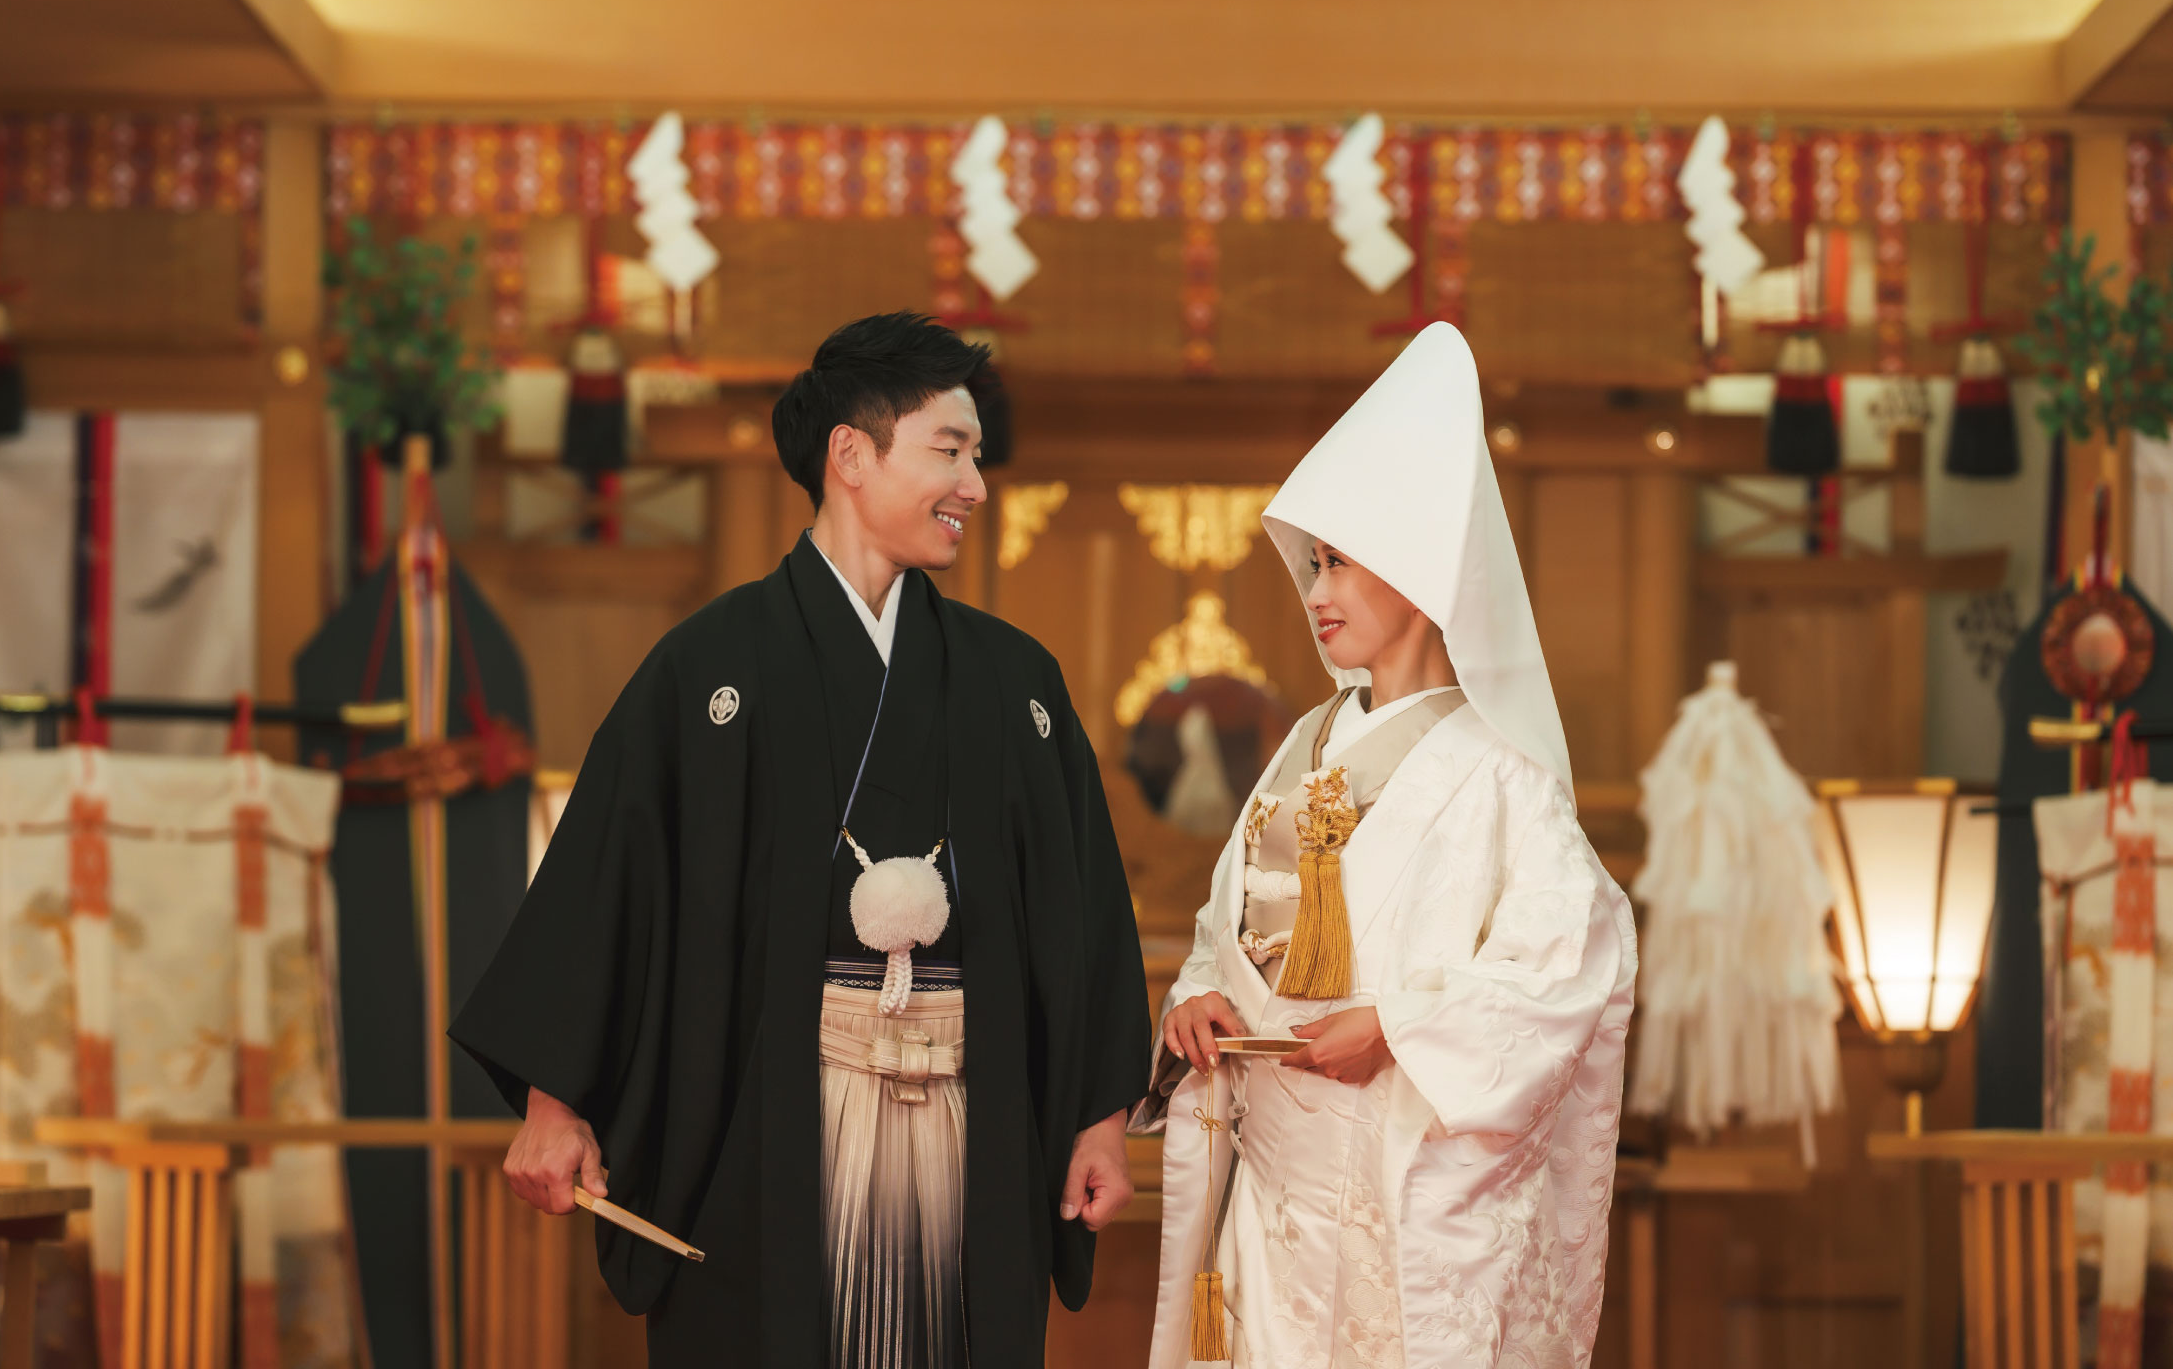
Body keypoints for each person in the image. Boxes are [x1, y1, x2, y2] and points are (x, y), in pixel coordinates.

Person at [451, 312, 1150, 1369]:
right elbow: (608, 884)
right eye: (950, 452)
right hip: (766, 1123)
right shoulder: (706, 670)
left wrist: (1096, 1119)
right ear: (850, 455)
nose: (975, 485)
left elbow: (1079, 910)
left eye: (976, 457)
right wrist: (555, 1103)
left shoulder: (1013, 681)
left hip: (969, 1123)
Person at [1143, 323, 1637, 1369]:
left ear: (1418, 575)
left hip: (1400, 1196)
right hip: (1273, 1192)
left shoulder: (1501, 773)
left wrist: (1400, 1030)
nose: (1315, 593)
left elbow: (1569, 967)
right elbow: (1229, 930)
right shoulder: (1301, 745)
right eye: (1314, 564)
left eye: (1342, 565)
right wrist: (1199, 995)